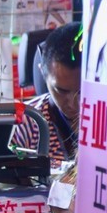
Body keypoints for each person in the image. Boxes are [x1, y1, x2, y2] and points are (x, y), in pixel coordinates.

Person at [10, 22, 81, 163]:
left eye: (82, 92)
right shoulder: (25, 122)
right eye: (61, 90)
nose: (75, 104)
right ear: (42, 71)